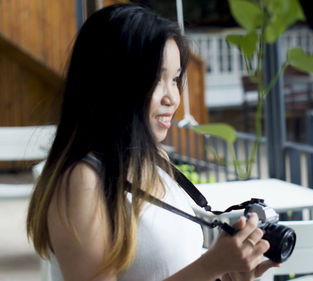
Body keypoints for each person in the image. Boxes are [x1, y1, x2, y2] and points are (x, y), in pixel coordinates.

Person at [26, 4, 278, 281]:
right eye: (156, 79)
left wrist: (226, 275)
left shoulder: (155, 159)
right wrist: (210, 266)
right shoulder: (83, 181)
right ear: (112, 82)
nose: (172, 98)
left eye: (175, 78)